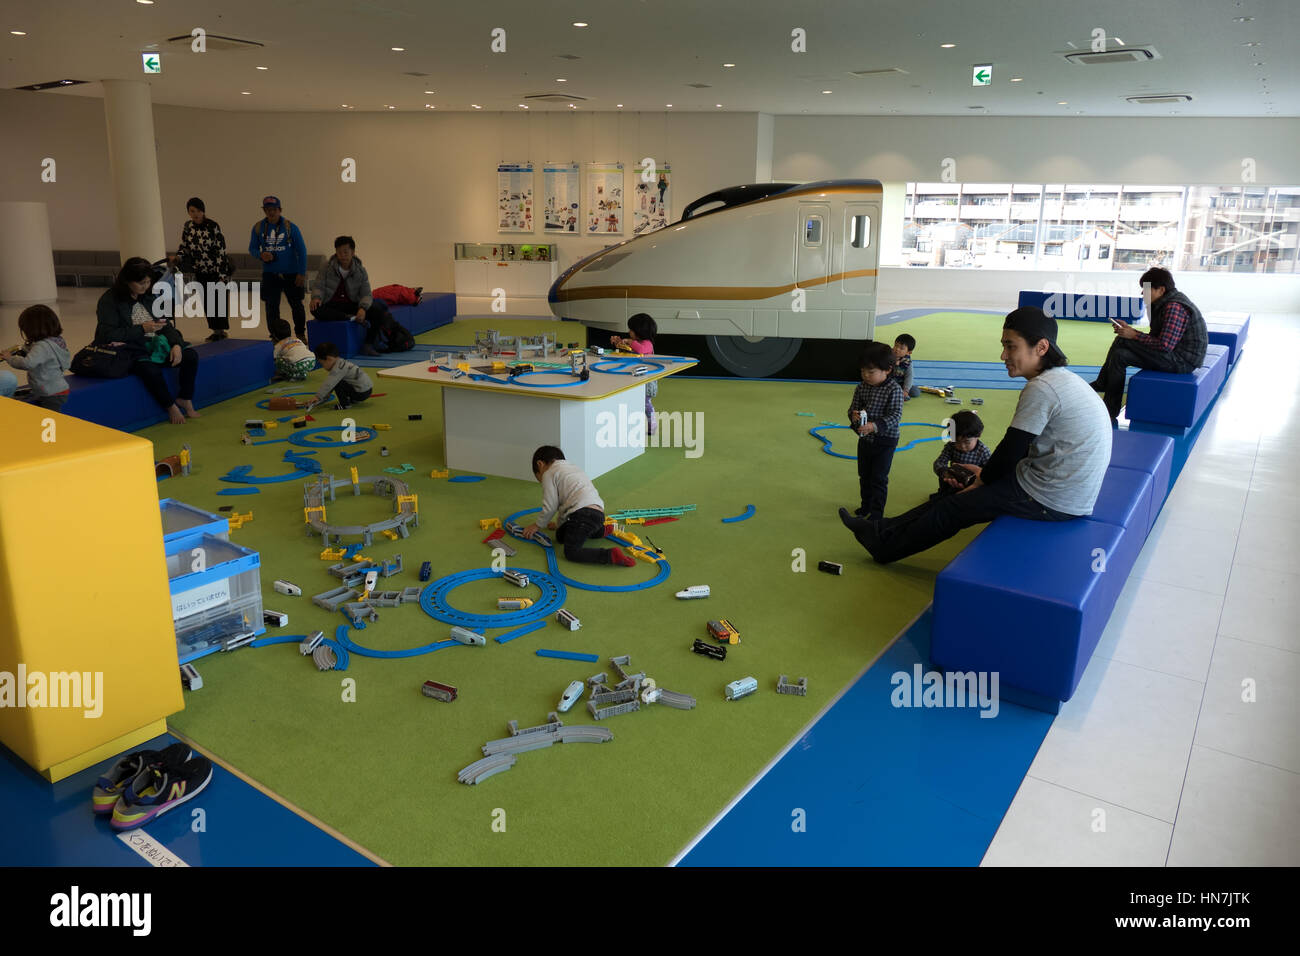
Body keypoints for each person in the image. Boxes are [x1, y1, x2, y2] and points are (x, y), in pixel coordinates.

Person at [840, 307, 1111, 564]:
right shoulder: (1061, 380)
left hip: (1051, 500)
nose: (1003, 355)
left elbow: (1011, 449)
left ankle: (884, 548)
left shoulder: (1042, 389)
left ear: (1041, 347)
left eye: (1011, 346)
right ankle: (879, 528)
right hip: (1061, 490)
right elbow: (1017, 453)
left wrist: (984, 477)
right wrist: (982, 474)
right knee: (951, 492)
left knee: (954, 507)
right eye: (1003, 345)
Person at [1091, 267, 1208, 423]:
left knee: (1123, 343)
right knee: (1120, 353)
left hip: (1182, 362)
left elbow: (1164, 345)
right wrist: (1130, 331)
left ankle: (1104, 389)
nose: (1142, 293)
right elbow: (1156, 339)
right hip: (1173, 354)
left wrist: (1132, 334)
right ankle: (1109, 408)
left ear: (1160, 289)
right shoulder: (1161, 304)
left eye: (1146, 289)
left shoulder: (1174, 307)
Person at [95, 257, 200, 425]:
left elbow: (165, 324)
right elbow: (107, 334)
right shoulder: (110, 300)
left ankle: (184, 398)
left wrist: (175, 344)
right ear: (127, 281)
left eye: (148, 282)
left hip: (155, 343)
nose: (145, 286)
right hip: (130, 348)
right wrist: (142, 329)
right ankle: (170, 405)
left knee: (191, 356)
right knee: (149, 369)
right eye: (141, 283)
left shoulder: (149, 295)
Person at [521, 445, 636, 566]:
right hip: (598, 513)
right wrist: (559, 525)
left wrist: (537, 525)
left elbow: (551, 506)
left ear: (540, 464)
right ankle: (601, 530)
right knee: (560, 536)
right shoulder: (573, 468)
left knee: (571, 552)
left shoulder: (548, 474)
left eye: (538, 477)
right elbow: (566, 504)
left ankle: (609, 555)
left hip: (582, 515)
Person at [309, 235, 394, 357]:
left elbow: (366, 293)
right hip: (332, 305)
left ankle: (368, 345)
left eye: (346, 251)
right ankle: (348, 317)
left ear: (353, 252)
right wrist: (316, 297)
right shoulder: (326, 267)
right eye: (339, 252)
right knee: (316, 309)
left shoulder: (360, 271)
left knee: (378, 310)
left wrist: (363, 308)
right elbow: (318, 285)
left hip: (352, 304)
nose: (343, 255)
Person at [847, 341, 904, 521]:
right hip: (865, 440)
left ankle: (877, 514)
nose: (866, 375)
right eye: (863, 371)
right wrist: (854, 417)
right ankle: (865, 507)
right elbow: (852, 409)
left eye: (871, 372)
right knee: (864, 475)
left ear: (887, 370)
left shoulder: (894, 389)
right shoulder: (861, 387)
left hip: (885, 440)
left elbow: (895, 415)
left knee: (879, 478)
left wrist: (874, 425)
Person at [170, 197, 233, 342]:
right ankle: (214, 330)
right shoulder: (188, 227)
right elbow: (184, 246)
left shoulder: (212, 226)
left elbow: (221, 250)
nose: (195, 214)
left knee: (218, 301)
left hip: (216, 271)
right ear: (188, 212)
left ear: (203, 211)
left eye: (198, 210)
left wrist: (222, 274)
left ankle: (221, 331)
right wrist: (178, 257)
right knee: (207, 302)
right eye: (192, 211)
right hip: (200, 270)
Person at [248, 196, 307, 340]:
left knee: (296, 305)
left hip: (291, 273)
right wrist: (261, 255)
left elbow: (302, 251)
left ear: (280, 210)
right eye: (267, 210)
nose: (271, 213)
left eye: (274, 210)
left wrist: (301, 273)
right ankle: (276, 336)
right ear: (264, 211)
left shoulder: (290, 227)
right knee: (271, 307)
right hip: (270, 274)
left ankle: (300, 333)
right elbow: (252, 248)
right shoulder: (258, 227)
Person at [1, 305, 71, 411]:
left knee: (51, 419)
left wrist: (10, 358)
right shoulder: (55, 341)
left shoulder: (42, 346)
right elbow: (43, 357)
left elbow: (27, 363)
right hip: (56, 389)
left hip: (50, 392)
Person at [611, 313, 659, 435]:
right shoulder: (636, 342)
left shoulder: (647, 343)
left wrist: (630, 341)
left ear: (639, 331)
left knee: (645, 404)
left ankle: (652, 426)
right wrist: (619, 343)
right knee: (633, 402)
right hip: (636, 377)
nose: (629, 332)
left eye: (631, 330)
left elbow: (641, 350)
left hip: (646, 380)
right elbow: (631, 351)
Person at [930, 409, 991, 499]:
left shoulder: (983, 451)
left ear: (979, 434)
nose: (962, 446)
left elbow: (989, 472)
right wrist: (945, 472)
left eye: (967, 442)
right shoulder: (951, 446)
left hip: (971, 485)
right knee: (944, 481)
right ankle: (943, 494)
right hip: (952, 479)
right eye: (956, 441)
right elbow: (939, 462)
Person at [307, 342, 372, 410]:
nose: (323, 367)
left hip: (361, 393)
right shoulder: (342, 362)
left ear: (329, 359)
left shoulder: (337, 369)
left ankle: (344, 405)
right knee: (339, 382)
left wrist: (318, 397)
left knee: (338, 384)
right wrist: (322, 398)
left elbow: (329, 384)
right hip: (368, 390)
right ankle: (354, 399)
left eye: (322, 364)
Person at [270, 318, 315, 383]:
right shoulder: (297, 339)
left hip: (297, 365)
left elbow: (274, 357)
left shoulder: (279, 345)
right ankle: (301, 373)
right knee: (294, 358)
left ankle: (293, 375)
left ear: (274, 336)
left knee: (278, 361)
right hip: (311, 361)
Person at [891, 333, 920, 399]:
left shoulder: (907, 362)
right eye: (896, 345)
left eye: (901, 348)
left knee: (915, 391)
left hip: (900, 383)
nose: (897, 349)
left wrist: (906, 390)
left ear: (908, 352)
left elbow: (909, 377)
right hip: (887, 382)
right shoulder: (888, 356)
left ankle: (901, 394)